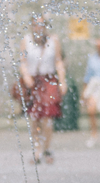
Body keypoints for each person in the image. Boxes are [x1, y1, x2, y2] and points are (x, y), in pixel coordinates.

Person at [19, 16, 67, 164]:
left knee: (48, 117)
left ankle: (47, 148)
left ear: (45, 26)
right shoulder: (26, 40)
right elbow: (22, 61)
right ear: (32, 26)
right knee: (34, 118)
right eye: (35, 25)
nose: (38, 28)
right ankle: (37, 150)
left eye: (41, 25)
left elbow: (58, 60)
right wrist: (26, 75)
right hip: (33, 81)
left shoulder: (54, 40)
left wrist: (62, 80)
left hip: (49, 81)